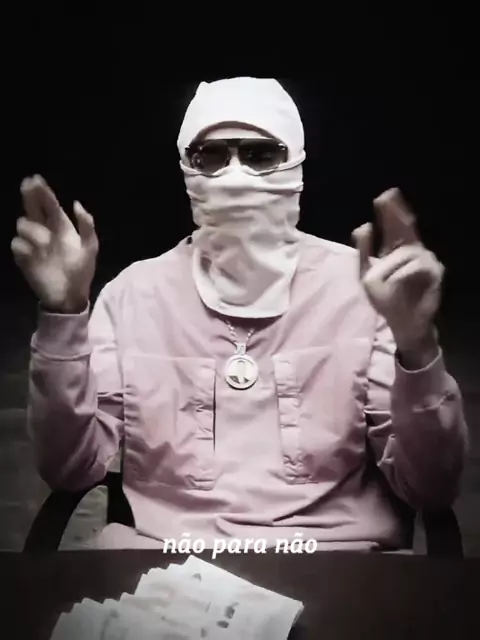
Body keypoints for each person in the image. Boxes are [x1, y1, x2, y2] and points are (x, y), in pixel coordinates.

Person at [12, 77, 468, 552]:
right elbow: (70, 470)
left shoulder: (363, 291)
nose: (234, 175)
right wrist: (63, 314)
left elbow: (430, 488)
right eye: (209, 156)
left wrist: (417, 346)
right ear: (185, 167)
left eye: (260, 154)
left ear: (295, 162)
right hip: (168, 565)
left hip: (337, 561)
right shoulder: (134, 296)